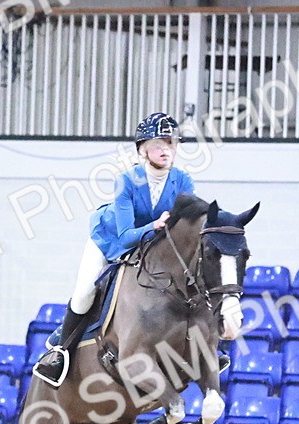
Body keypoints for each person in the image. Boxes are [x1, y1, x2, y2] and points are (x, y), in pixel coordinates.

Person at [32, 112, 196, 388]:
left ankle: (202, 347)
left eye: (172, 143)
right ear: (143, 149)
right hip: (111, 240)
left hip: (152, 247)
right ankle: (61, 351)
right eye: (159, 143)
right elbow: (126, 235)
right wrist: (155, 226)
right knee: (85, 292)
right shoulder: (127, 181)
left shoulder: (183, 181)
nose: (167, 149)